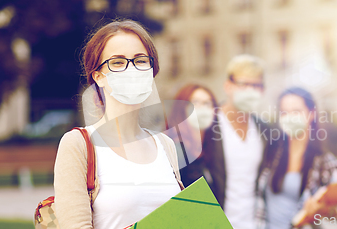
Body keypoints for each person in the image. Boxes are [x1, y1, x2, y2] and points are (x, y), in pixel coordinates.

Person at [53, 19, 183, 229]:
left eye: (140, 60)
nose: (131, 69)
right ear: (98, 77)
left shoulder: (165, 145)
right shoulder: (78, 145)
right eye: (117, 62)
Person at [202, 54, 278, 229]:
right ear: (228, 86)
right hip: (215, 223)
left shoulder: (263, 129)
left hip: (254, 224)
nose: (250, 91)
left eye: (256, 85)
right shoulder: (209, 124)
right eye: (244, 84)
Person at [256, 87, 337, 229]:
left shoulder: (326, 162)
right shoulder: (271, 152)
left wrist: (321, 209)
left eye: (296, 112)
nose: (290, 117)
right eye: (284, 112)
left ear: (311, 114)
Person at [168, 84, 218, 187]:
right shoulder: (177, 150)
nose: (202, 108)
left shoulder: (210, 147)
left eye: (207, 103)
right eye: (195, 102)